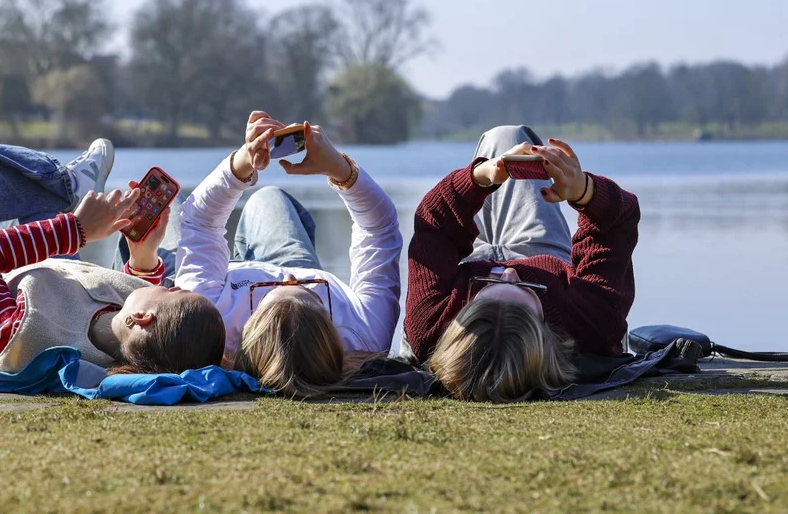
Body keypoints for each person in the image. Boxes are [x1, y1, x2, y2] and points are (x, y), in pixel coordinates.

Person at [0, 131, 225, 375]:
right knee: (43, 207)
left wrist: (76, 231)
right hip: (45, 281)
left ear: (143, 317)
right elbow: (129, 298)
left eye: (170, 290)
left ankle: (64, 183)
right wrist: (142, 256)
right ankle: (59, 191)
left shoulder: (23, 337)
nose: (170, 283)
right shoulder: (126, 338)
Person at [404, 125, 640, 402]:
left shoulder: (431, 325)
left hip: (468, 267)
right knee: (509, 137)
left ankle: (504, 287)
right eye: (524, 287)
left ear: (464, 313)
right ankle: (510, 288)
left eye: (490, 285)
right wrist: (583, 190)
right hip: (546, 262)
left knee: (502, 147)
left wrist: (481, 177)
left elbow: (434, 224)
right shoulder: (590, 324)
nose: (510, 271)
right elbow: (617, 223)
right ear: (547, 329)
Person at [176, 112, 402, 397]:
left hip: (223, 283)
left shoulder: (210, 323)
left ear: (249, 328)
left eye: (280, 288)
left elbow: (200, 221)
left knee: (170, 209)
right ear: (332, 336)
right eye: (311, 295)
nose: (292, 277)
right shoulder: (364, 338)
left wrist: (241, 165)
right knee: (269, 197)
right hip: (293, 259)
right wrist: (341, 170)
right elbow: (379, 229)